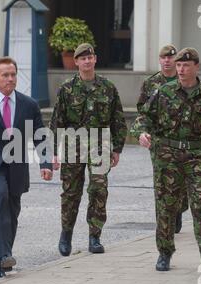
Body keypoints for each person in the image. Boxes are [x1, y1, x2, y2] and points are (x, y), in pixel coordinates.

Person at [130, 48, 201, 276]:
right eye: (178, 65)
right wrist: (142, 133)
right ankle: (165, 252)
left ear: (196, 66)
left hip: (197, 158)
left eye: (186, 65)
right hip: (168, 158)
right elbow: (143, 117)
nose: (181, 70)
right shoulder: (163, 92)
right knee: (166, 206)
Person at [0, 56, 53, 280]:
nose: (10, 79)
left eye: (13, 74)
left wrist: (46, 163)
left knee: (12, 212)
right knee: (0, 197)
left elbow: (40, 136)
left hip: (17, 164)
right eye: (5, 75)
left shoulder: (28, 104)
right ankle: (5, 254)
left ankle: (0, 262)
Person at [50, 43, 127, 257]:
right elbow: (58, 121)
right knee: (70, 192)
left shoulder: (108, 87)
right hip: (72, 144)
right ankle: (66, 234)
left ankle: (95, 235)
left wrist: (117, 148)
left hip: (99, 144)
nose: (86, 61)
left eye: (89, 58)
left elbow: (118, 119)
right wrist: (54, 151)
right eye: (82, 58)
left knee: (98, 190)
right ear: (76, 62)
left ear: (95, 59)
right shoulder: (67, 88)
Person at [136, 44, 186, 234]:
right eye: (163, 57)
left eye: (170, 57)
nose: (167, 61)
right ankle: (165, 222)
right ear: (159, 59)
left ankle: (179, 209)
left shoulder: (185, 80)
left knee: (182, 181)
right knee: (162, 181)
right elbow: (142, 110)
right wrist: (143, 131)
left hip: (182, 139)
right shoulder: (151, 83)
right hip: (159, 140)